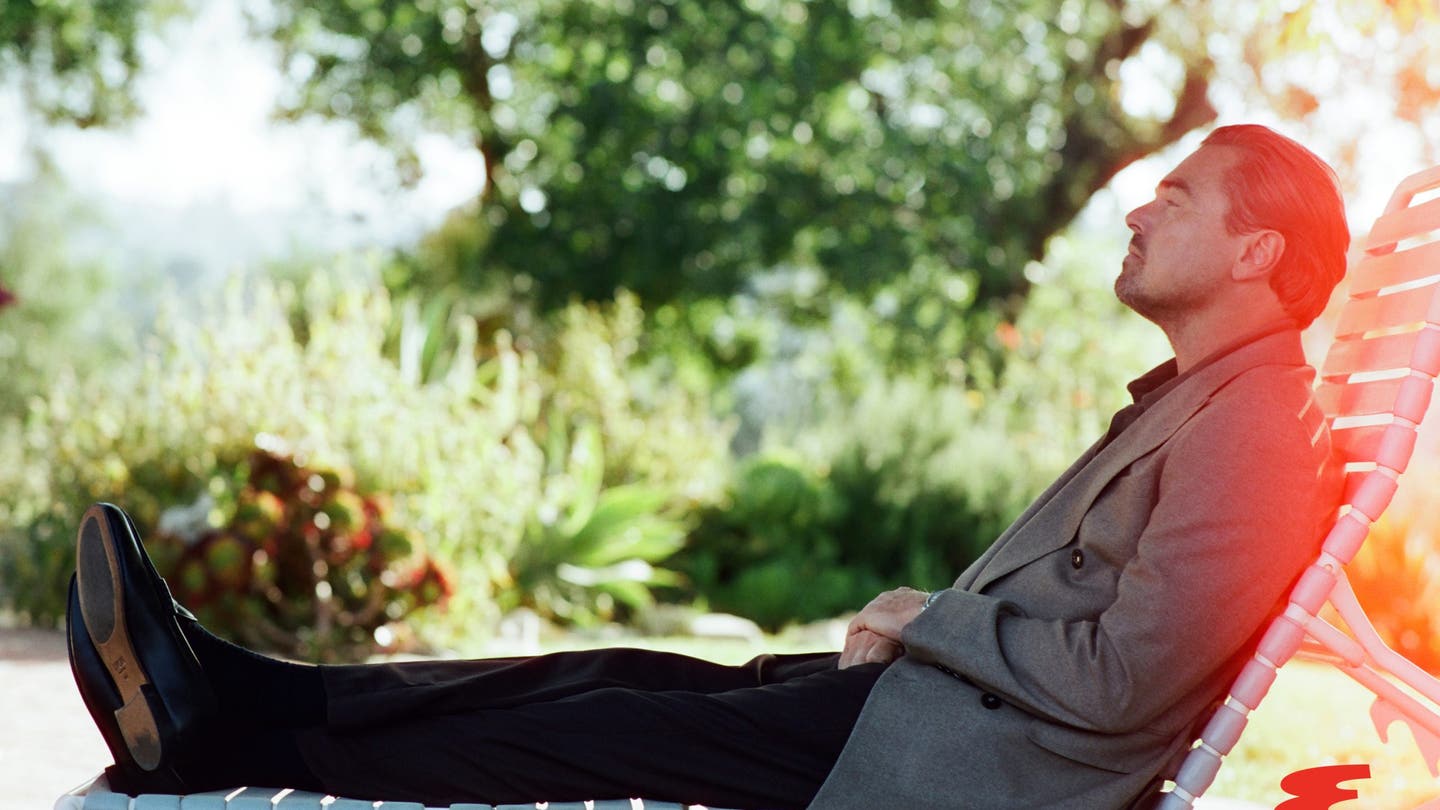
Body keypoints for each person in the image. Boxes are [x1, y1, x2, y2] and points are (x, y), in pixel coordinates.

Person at [67, 123, 1349, 810]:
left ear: (1258, 256)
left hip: (966, 773)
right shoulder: (1206, 403)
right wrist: (923, 641)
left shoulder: (1251, 432)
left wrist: (926, 616)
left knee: (598, 731)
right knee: (605, 672)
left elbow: (1125, 682)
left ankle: (211, 741)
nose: (1136, 207)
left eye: (1179, 196)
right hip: (930, 719)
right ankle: (239, 693)